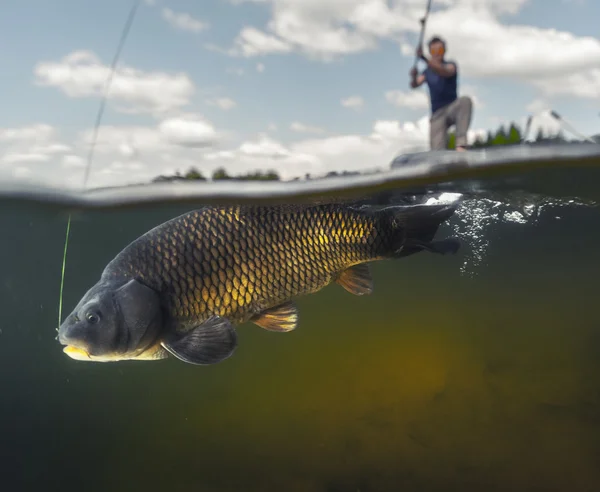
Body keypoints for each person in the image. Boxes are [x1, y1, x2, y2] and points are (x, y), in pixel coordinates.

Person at [410, 36, 473, 152]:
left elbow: (445, 71)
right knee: (437, 154)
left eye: (440, 50)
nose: (437, 54)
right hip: (437, 115)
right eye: (434, 51)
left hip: (452, 107)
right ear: (430, 52)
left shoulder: (451, 65)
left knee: (465, 101)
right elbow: (414, 85)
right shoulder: (426, 72)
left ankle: (461, 145)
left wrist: (424, 58)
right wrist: (413, 76)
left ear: (444, 51)